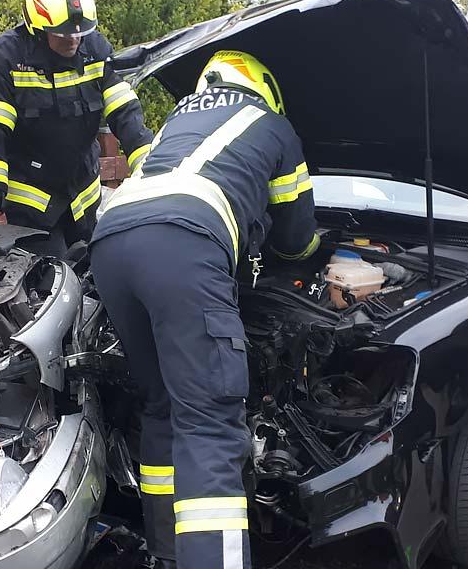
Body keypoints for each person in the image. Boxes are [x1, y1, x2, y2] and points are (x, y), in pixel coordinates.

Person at [90, 50, 328, 569]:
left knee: (162, 408)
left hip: (111, 242)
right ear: (264, 88)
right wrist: (315, 255)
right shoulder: (273, 125)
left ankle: (166, 553)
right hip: (183, 243)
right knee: (210, 426)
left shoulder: (180, 119)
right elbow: (295, 236)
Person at [0, 0, 153, 255]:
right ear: (37, 28)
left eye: (80, 32)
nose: (73, 39)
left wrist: (153, 174)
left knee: (94, 272)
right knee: (48, 279)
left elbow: (126, 114)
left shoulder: (95, 49)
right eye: (63, 34)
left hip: (84, 200)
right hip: (32, 208)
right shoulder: (6, 59)